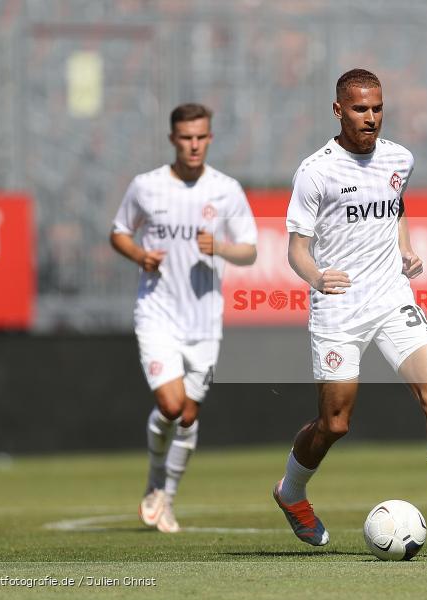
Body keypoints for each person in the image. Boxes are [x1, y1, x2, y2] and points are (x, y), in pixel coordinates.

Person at [273, 68, 427, 554]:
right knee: (335, 423)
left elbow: (395, 204)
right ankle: (291, 492)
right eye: (359, 109)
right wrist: (316, 277)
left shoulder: (399, 158)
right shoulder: (316, 171)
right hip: (339, 308)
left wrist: (405, 248)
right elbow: (296, 249)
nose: (370, 118)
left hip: (393, 299)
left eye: (377, 108)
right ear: (338, 110)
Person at [110, 103, 258, 533]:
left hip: (205, 323)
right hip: (157, 313)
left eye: (200, 137)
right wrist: (140, 255)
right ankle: (156, 481)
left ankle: (167, 498)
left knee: (188, 416)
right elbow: (119, 232)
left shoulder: (226, 190)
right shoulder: (147, 186)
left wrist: (220, 248)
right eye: (186, 138)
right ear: (173, 140)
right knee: (171, 405)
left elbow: (249, 250)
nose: (194, 145)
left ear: (209, 138)